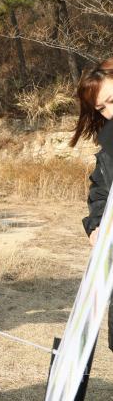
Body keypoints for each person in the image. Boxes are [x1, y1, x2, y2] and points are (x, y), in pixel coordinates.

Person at [71, 57, 113, 353]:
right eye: (102, 108)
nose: (110, 112)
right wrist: (96, 224)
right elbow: (100, 190)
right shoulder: (108, 142)